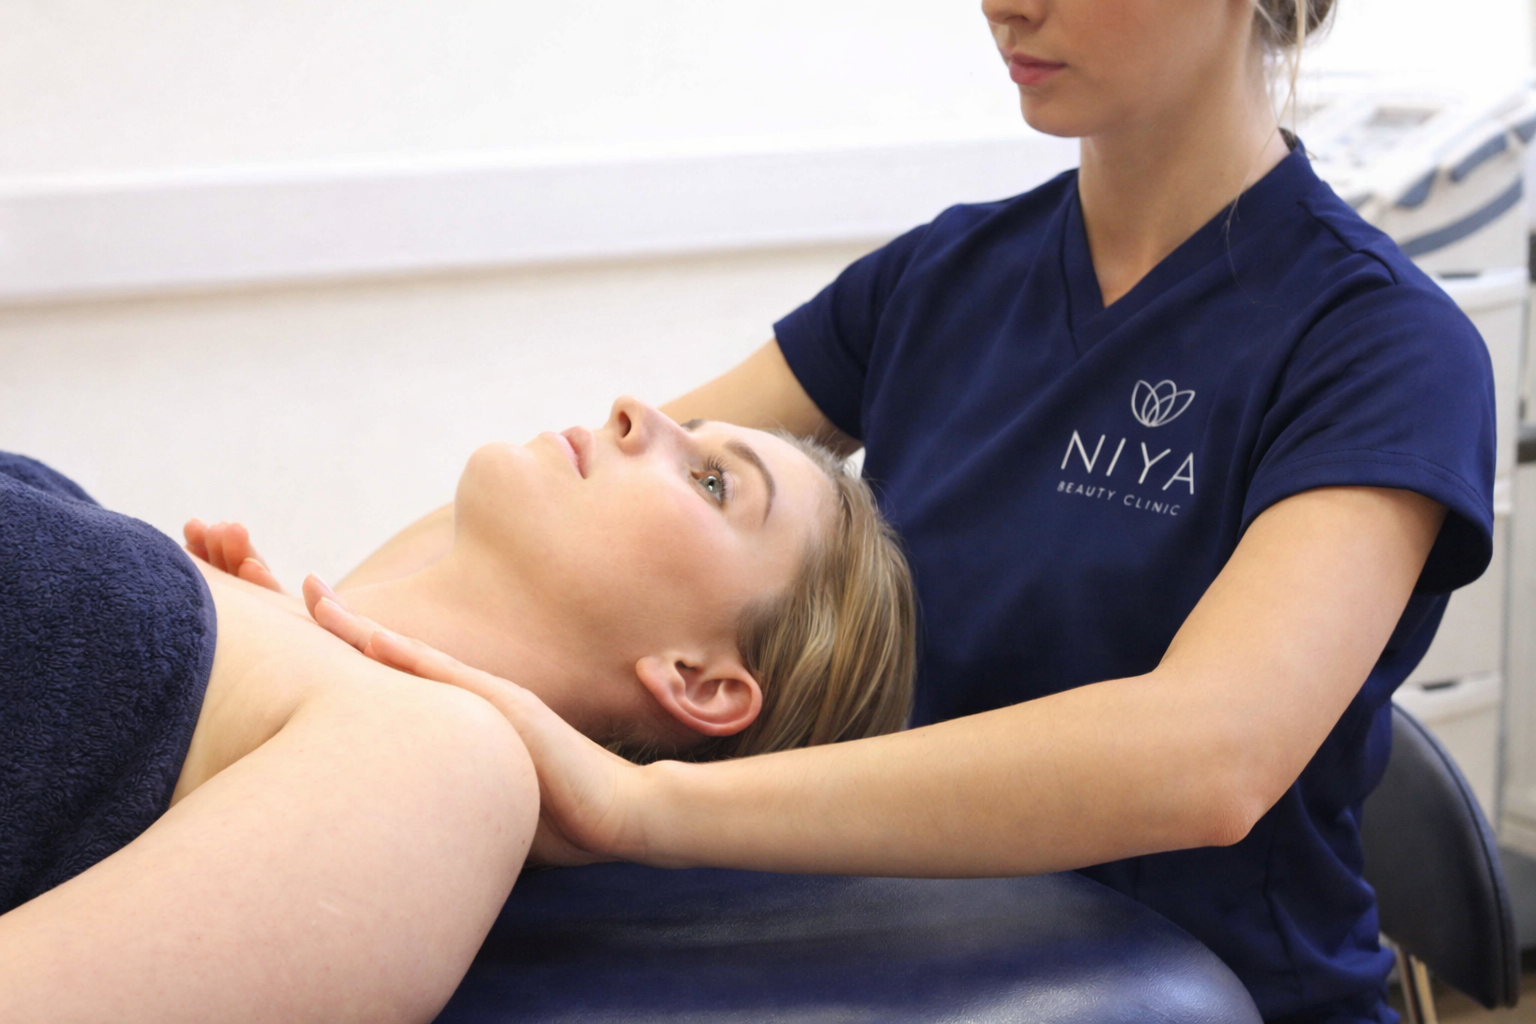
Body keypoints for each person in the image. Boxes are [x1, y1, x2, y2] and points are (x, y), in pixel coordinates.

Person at [315, 0, 1497, 1020]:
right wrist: (322, 632)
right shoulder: (943, 278)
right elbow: (555, 503)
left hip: (1199, 991)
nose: (1006, 3)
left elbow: (1212, 755)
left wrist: (640, 804)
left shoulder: (1381, 347)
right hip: (905, 959)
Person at [0, 397, 915, 1023]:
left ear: (701, 682)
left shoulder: (445, 764)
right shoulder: (253, 630)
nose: (637, 409)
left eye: (714, 481)